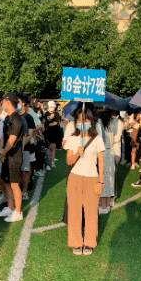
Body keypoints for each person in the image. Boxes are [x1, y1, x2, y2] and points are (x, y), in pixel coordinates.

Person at [64, 104, 106, 256]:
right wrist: (77, 153)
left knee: (91, 212)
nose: (83, 123)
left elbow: (101, 161)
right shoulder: (73, 139)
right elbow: (69, 161)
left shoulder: (97, 139)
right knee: (74, 212)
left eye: (86, 120)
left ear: (91, 121)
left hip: (92, 178)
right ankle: (76, 242)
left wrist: (101, 181)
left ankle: (89, 243)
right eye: (80, 120)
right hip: (75, 178)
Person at [0, 93, 27, 223]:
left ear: (8, 102)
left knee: (14, 184)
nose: (1, 104)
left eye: (2, 101)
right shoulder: (8, 118)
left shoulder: (17, 119)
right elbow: (4, 135)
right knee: (6, 182)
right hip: (7, 156)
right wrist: (2, 152)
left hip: (14, 156)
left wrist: (3, 151)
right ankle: (10, 207)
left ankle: (18, 212)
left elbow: (12, 139)